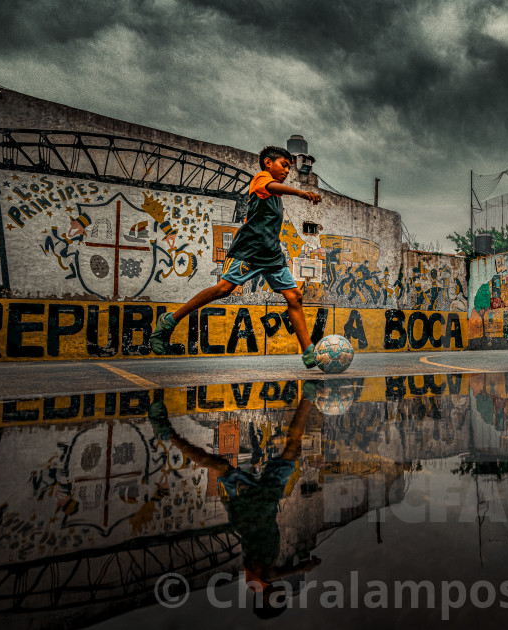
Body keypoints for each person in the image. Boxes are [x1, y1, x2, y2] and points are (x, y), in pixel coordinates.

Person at [148, 383, 320, 619]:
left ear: (264, 600)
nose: (282, 595)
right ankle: (308, 396)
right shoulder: (269, 577)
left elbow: (269, 575)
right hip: (267, 501)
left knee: (219, 465)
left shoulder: (256, 584)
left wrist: (302, 568)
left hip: (246, 507)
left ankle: (166, 432)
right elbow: (274, 572)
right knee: (292, 450)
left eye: (278, 601)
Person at [150, 146, 322, 367]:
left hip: (271, 255)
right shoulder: (262, 179)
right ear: (268, 163)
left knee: (294, 297)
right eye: (284, 165)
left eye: (289, 167)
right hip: (247, 250)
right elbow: (270, 186)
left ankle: (309, 351)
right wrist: (300, 192)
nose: (287, 171)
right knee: (223, 289)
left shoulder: (276, 196)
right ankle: (169, 321)